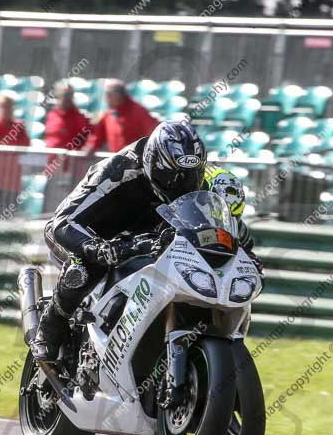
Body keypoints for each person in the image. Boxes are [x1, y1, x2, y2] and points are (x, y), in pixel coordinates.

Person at [32, 121, 206, 362]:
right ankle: (50, 327)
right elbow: (60, 223)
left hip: (145, 241)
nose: (181, 183)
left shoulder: (195, 183)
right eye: (172, 175)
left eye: (190, 176)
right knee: (83, 268)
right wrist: (100, 249)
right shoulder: (117, 171)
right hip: (90, 236)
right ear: (153, 162)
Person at [84, 79, 158, 154]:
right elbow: (97, 136)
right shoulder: (108, 114)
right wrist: (91, 146)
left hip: (137, 161)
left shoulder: (138, 111)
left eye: (109, 95)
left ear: (119, 96)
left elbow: (152, 134)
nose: (106, 100)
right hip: (117, 161)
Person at [44, 82, 90, 149]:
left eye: (70, 95)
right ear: (58, 95)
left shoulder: (79, 118)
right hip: (52, 156)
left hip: (72, 158)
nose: (68, 98)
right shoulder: (52, 115)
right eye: (66, 95)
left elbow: (85, 141)